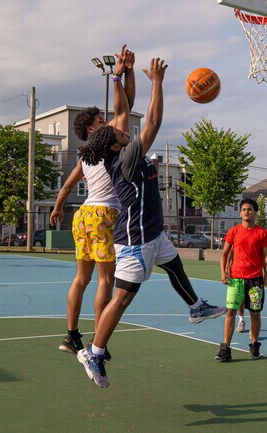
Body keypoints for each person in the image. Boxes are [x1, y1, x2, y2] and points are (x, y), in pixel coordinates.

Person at [75, 57, 226, 387]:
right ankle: (94, 352)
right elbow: (153, 121)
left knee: (174, 266)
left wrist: (121, 76)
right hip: (135, 238)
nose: (122, 128)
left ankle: (196, 306)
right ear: (114, 144)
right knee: (124, 297)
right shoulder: (125, 158)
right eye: (117, 131)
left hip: (153, 231)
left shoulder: (120, 149)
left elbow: (123, 109)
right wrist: (157, 82)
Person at [50, 45, 135, 355]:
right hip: (104, 215)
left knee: (81, 277)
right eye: (101, 119)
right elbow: (125, 110)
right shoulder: (109, 143)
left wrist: (59, 206)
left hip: (82, 216)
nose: (105, 121)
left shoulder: (84, 156)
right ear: (91, 127)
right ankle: (99, 342)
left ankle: (70, 335)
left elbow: (66, 186)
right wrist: (119, 76)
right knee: (105, 280)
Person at [215, 198, 267, 361]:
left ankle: (254, 345)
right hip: (236, 279)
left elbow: (266, 254)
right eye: (243, 209)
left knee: (255, 314)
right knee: (230, 313)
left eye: (249, 209)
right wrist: (223, 272)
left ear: (255, 212)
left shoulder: (261, 233)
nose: (246, 212)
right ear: (240, 213)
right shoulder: (234, 231)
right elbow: (225, 254)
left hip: (255, 280)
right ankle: (226, 348)